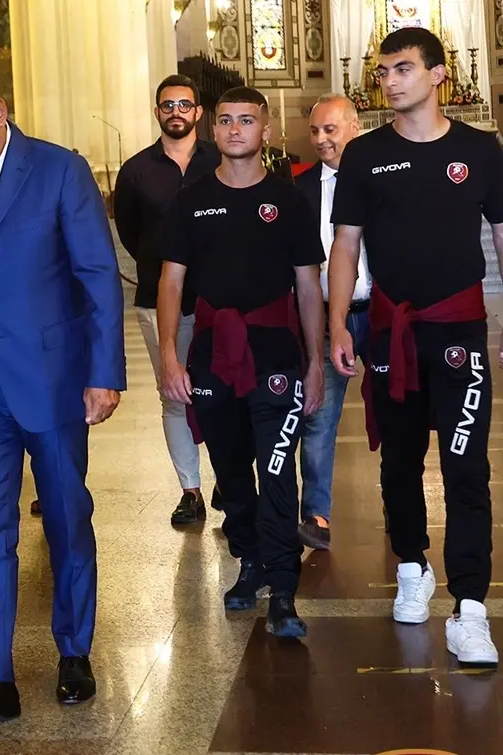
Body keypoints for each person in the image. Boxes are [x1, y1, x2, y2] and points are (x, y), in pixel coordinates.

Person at [0, 67, 125, 724]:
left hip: (54, 377)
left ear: (0, 111)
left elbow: (97, 275)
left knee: (66, 516)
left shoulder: (60, 170)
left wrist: (104, 371)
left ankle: (73, 649)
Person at [330, 27, 503, 664]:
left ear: (438, 76)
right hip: (387, 333)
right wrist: (335, 328)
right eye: (382, 71)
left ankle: (471, 607)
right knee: (397, 461)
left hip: (459, 333)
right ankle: (411, 566)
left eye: (402, 68)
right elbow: (345, 246)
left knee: (466, 466)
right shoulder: (363, 155)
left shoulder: (481, 151)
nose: (389, 80)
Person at [159, 86, 325, 638]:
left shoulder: (290, 201)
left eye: (246, 121)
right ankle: (248, 562)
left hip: (275, 353)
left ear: (266, 130)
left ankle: (282, 588)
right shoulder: (191, 200)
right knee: (231, 474)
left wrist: (316, 361)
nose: (235, 129)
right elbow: (171, 280)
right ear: (214, 130)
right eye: (226, 121)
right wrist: (168, 356)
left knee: (278, 472)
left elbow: (308, 286)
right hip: (211, 355)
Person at [114, 74, 222, 526]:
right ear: (157, 112)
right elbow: (131, 234)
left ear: (198, 112)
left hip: (221, 299)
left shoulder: (221, 160)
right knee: (175, 395)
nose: (175, 111)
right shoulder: (136, 171)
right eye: (167, 105)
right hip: (159, 300)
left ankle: (230, 487)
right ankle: (191, 491)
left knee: (222, 396)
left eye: (184, 104)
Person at [293, 94, 372, 551]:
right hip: (323, 316)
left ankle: (399, 500)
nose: (322, 139)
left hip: (378, 313)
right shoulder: (300, 190)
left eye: (331, 130)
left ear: (354, 127)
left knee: (399, 413)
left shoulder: (377, 181)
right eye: (316, 131)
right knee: (318, 416)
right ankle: (315, 513)